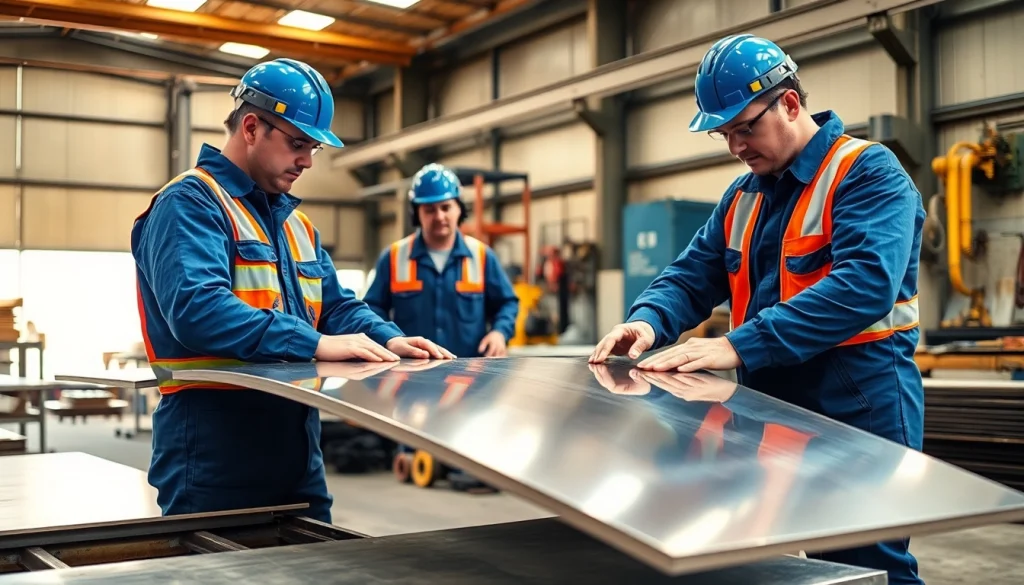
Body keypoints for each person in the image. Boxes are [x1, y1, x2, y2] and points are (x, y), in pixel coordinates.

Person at [589, 34, 926, 585]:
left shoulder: (867, 173)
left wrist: (733, 345)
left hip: (859, 406)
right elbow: (692, 274)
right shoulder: (743, 195)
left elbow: (865, 285)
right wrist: (647, 319)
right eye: (725, 134)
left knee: (864, 568)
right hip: (768, 408)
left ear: (790, 103)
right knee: (776, 564)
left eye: (745, 127)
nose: (736, 146)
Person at [131, 58, 454, 524]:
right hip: (213, 451)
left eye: (313, 148)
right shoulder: (189, 203)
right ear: (250, 127)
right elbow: (197, 308)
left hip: (297, 448)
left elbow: (335, 305)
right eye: (297, 143)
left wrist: (388, 337)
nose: (306, 160)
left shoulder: (295, 225)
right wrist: (315, 343)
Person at [363, 163, 520, 359]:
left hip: (470, 376)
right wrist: (389, 338)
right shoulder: (394, 257)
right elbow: (372, 308)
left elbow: (507, 303)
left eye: (446, 207)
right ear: (417, 213)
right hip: (410, 375)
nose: (439, 216)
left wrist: (499, 333)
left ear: (459, 209)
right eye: (429, 209)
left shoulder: (482, 256)